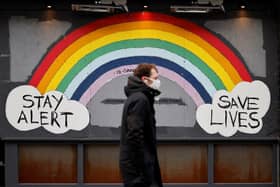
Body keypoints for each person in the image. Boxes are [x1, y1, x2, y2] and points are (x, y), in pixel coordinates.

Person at [119, 63, 163, 187]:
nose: (158, 81)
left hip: (138, 167)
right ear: (145, 79)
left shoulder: (138, 97)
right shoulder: (140, 99)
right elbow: (134, 134)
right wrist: (143, 168)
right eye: (155, 78)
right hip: (139, 170)